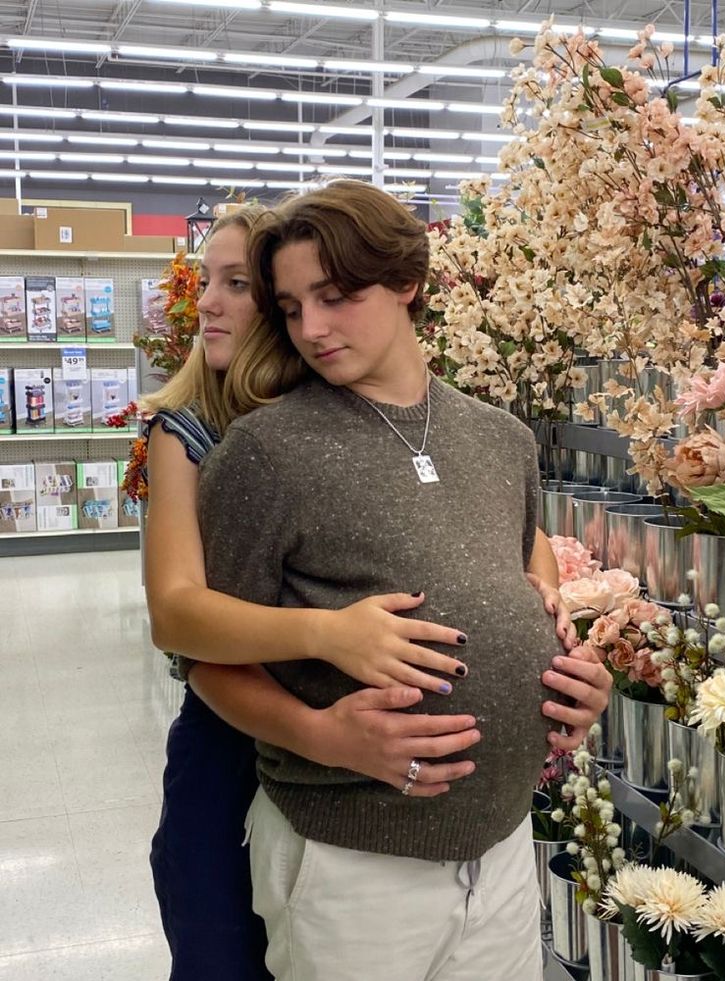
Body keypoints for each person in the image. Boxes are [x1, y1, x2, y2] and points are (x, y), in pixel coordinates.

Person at [194, 181, 612, 981]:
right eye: (290, 307)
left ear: (407, 282)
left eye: (336, 295)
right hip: (349, 861)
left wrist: (569, 677)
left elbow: (526, 574)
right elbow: (209, 657)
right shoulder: (264, 454)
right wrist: (324, 735)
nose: (312, 328)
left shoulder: (502, 440)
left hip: (501, 852)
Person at [144, 204, 512, 981]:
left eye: (238, 285)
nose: (210, 302)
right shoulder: (211, 438)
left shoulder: (416, 422)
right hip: (248, 753)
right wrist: (325, 635)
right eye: (285, 302)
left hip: (464, 842)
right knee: (221, 950)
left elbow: (513, 552)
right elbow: (177, 617)